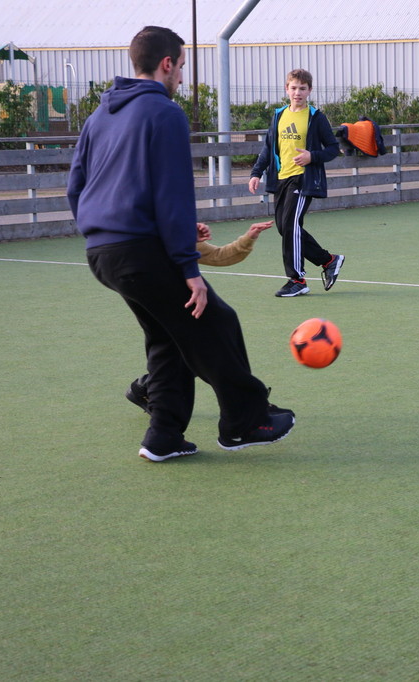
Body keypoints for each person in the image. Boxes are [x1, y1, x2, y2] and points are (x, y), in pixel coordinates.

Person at [67, 26, 294, 462]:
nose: (183, 77)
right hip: (139, 250)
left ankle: (164, 436)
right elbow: (173, 193)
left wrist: (105, 229)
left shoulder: (99, 117)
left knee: (168, 337)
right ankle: (245, 422)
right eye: (182, 67)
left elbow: (76, 186)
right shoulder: (164, 113)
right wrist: (190, 271)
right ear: (167, 64)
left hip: (103, 252)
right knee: (216, 323)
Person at [125, 219, 276, 411]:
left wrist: (249, 237)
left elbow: (218, 256)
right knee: (216, 331)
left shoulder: (178, 231)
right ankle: (247, 402)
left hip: (160, 282)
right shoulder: (152, 227)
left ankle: (148, 388)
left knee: (194, 344)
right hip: (150, 282)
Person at [248, 68, 344, 298]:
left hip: (303, 180)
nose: (297, 92)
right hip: (281, 179)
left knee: (290, 226)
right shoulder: (279, 116)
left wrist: (312, 156)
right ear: (286, 89)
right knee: (285, 228)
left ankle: (297, 279)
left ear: (309, 90)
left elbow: (333, 148)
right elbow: (268, 147)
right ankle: (328, 260)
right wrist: (256, 172)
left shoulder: (316, 118)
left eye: (302, 88)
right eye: (293, 88)